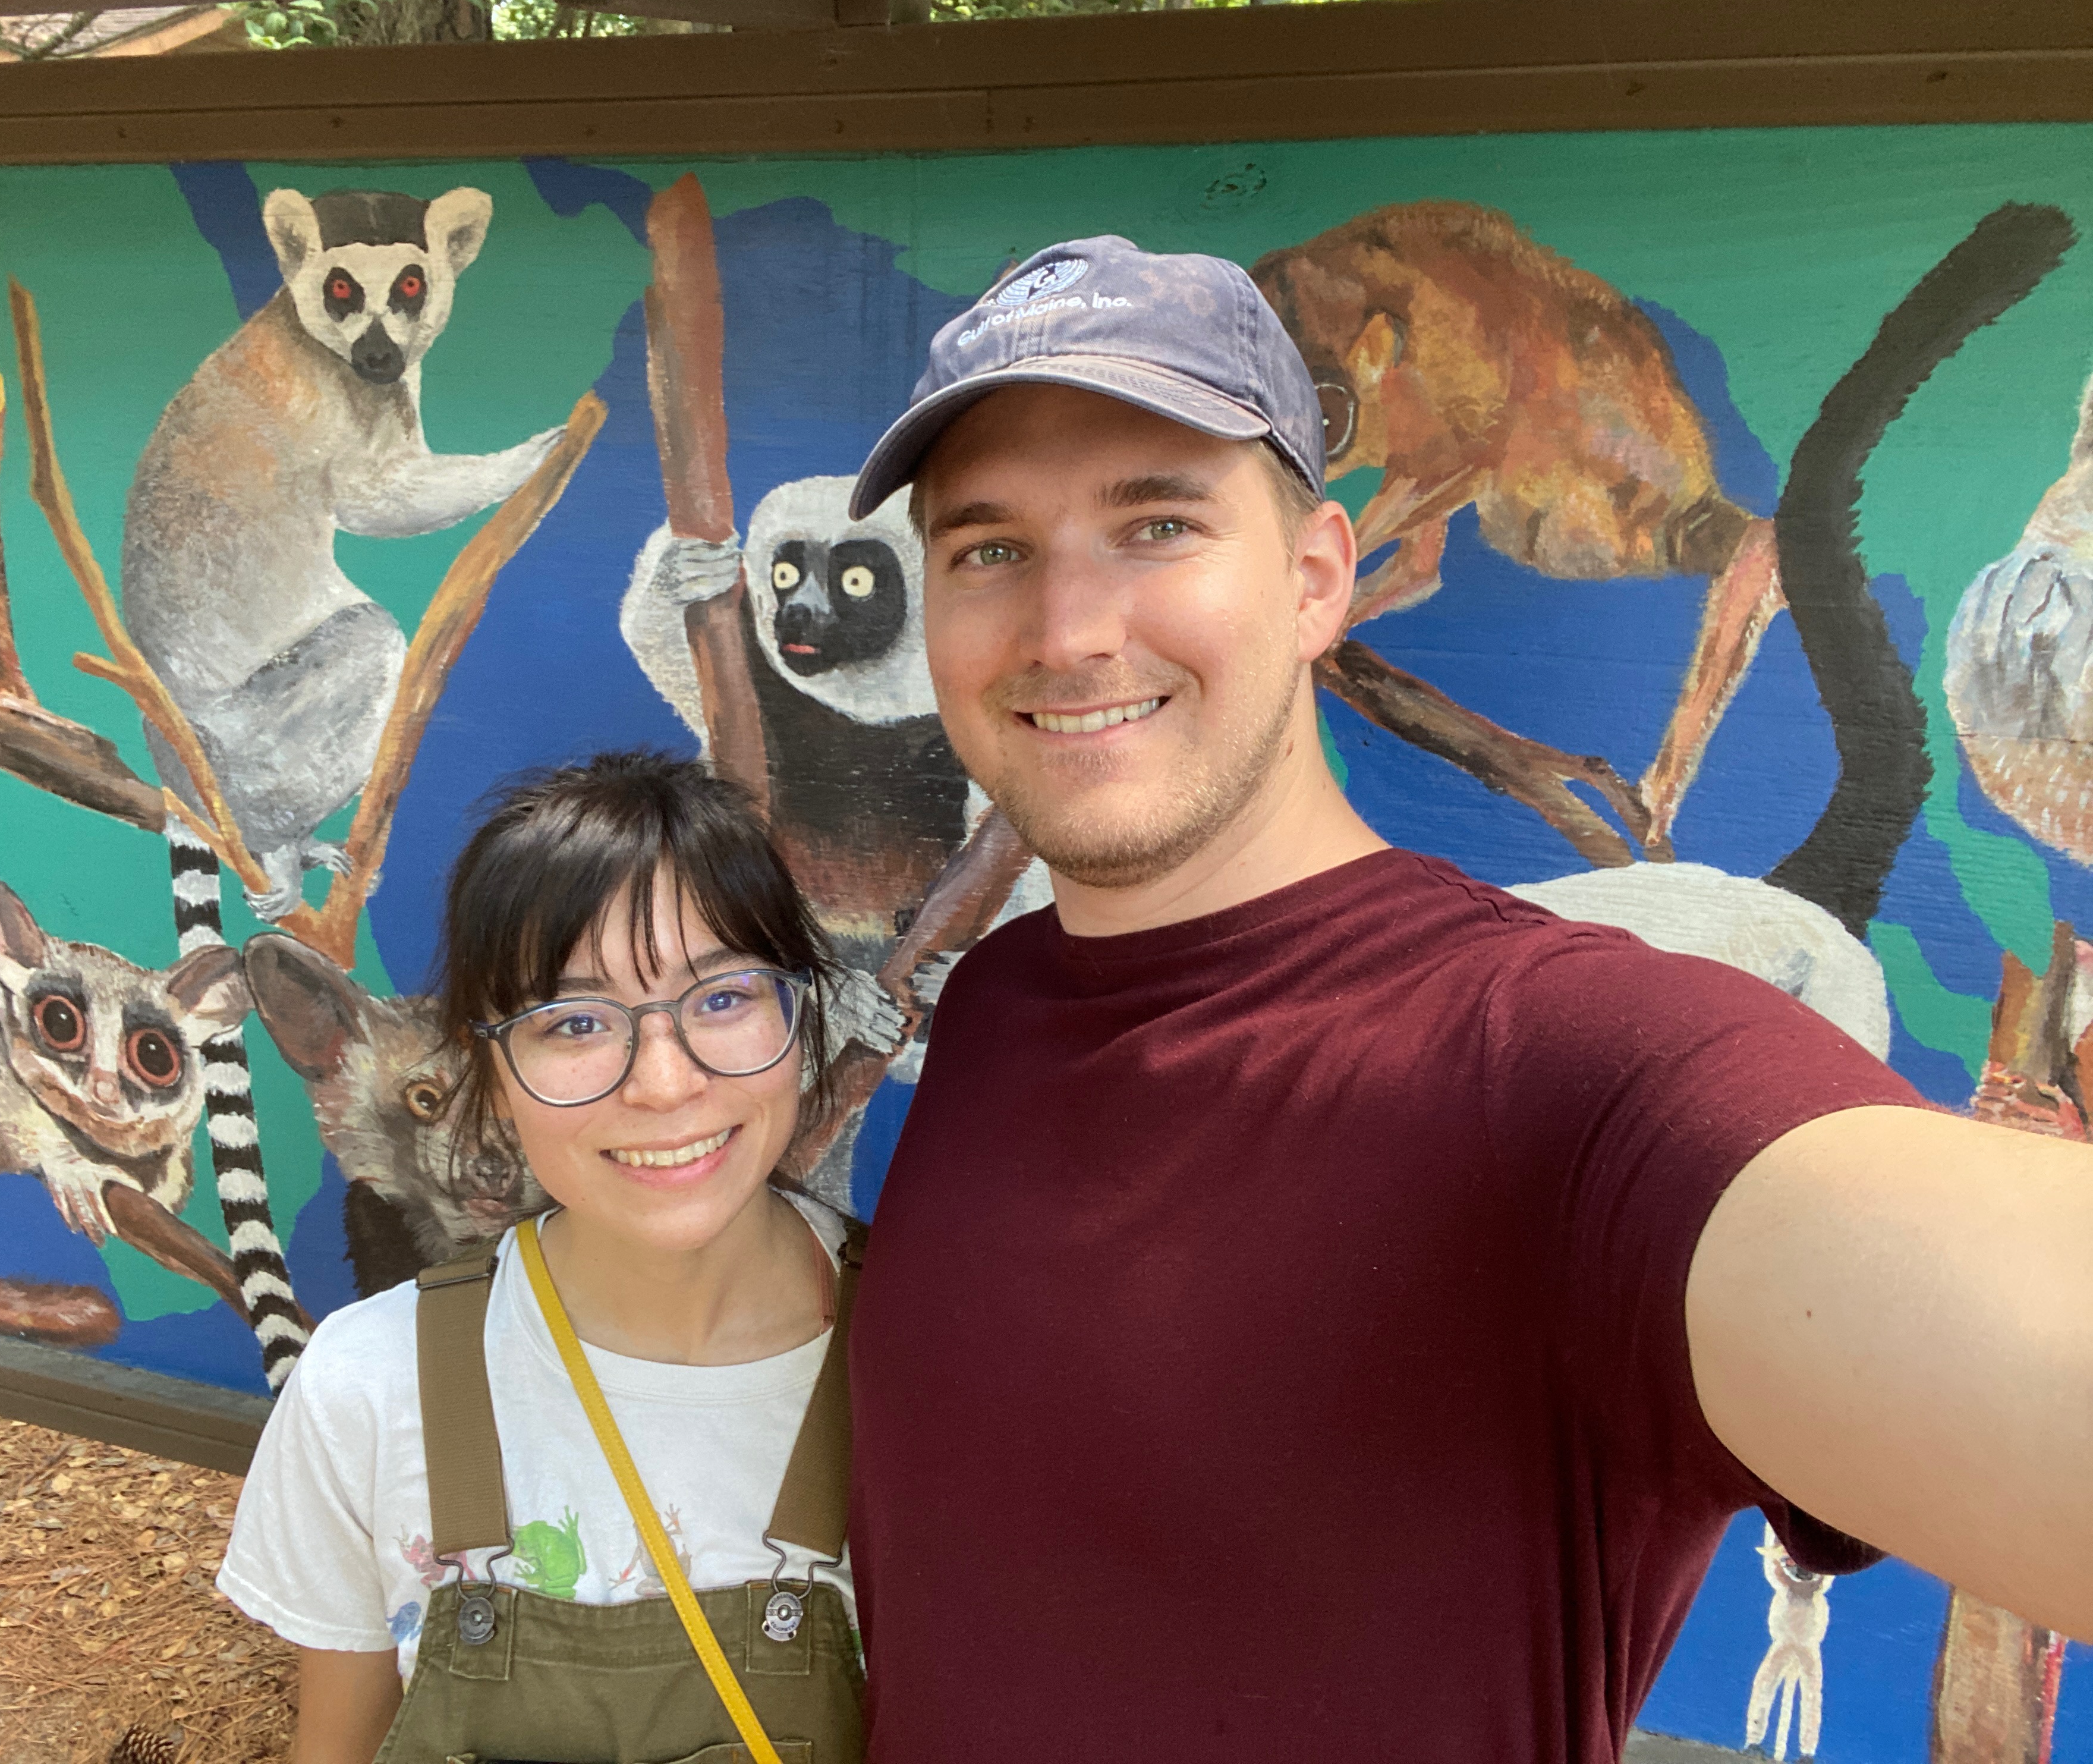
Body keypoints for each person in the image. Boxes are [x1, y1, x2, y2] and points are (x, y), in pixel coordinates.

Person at [840, 235, 2092, 1760]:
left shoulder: (1572, 1068)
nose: (1069, 629)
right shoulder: (998, 1008)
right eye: (989, 549)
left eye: (1156, 525)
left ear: (1316, 580)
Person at [219, 751, 867, 1764]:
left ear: (799, 1014)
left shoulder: (936, 1367)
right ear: (493, 1071)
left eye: (725, 997)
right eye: (574, 1022)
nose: (663, 1082)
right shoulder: (367, 1388)